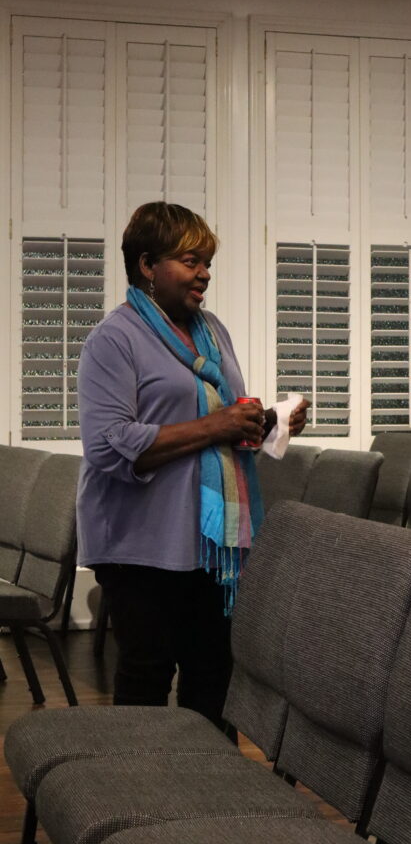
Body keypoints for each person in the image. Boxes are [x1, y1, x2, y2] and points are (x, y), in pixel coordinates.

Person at [76, 202, 309, 728]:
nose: (204, 273)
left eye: (206, 261)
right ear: (146, 265)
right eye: (189, 260)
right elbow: (109, 445)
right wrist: (220, 426)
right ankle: (139, 796)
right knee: (147, 672)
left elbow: (230, 420)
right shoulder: (113, 340)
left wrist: (271, 423)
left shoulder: (214, 333)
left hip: (212, 545)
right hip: (140, 543)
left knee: (213, 671)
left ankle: (209, 791)